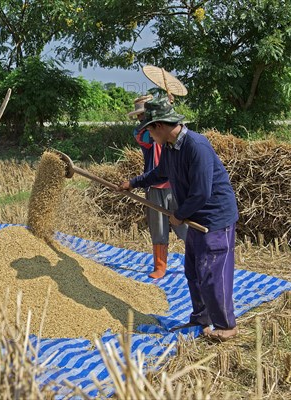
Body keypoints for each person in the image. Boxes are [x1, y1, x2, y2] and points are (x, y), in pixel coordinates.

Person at [119, 97, 239, 341]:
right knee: (194, 272)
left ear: (159, 126)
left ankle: (226, 325)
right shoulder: (172, 148)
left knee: (212, 273)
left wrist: (179, 215)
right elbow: (160, 173)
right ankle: (200, 319)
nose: (150, 137)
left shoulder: (197, 146)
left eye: (149, 130)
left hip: (214, 218)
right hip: (195, 216)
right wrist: (133, 183)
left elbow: (202, 192)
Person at [127, 94, 187, 279]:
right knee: (158, 227)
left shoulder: (168, 129)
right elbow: (148, 136)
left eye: (144, 114)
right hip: (155, 186)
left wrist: (168, 112)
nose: (141, 118)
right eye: (139, 116)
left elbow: (178, 130)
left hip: (176, 184)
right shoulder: (143, 133)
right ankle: (160, 266)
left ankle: (199, 258)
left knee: (184, 225)